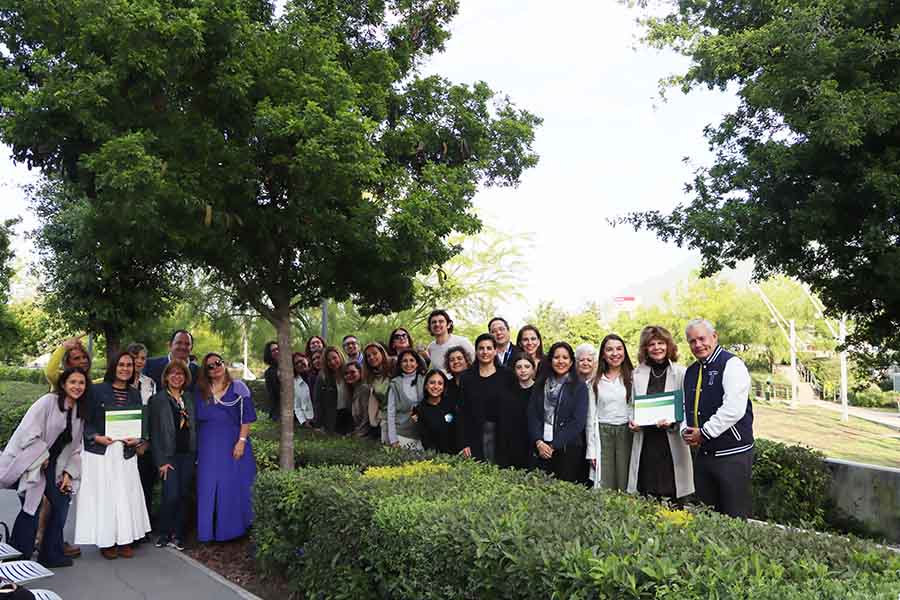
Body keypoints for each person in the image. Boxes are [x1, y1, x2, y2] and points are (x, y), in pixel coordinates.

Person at [0, 367, 86, 568]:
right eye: (73, 382)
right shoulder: (47, 402)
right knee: (32, 508)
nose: (77, 386)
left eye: (81, 382)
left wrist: (68, 473)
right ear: (64, 384)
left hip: (55, 466)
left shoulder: (80, 411)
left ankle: (50, 554)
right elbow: (28, 432)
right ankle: (17, 560)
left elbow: (75, 448)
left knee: (60, 502)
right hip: (33, 462)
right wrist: (41, 456)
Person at [75, 351, 151, 560]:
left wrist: (138, 439)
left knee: (126, 495)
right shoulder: (97, 390)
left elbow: (140, 424)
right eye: (121, 365)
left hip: (125, 453)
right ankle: (106, 541)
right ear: (113, 367)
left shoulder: (135, 394)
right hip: (102, 452)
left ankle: (125, 539)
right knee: (106, 497)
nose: (125, 369)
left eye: (129, 365)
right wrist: (95, 437)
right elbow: (84, 421)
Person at [681, 319, 754, 519]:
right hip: (704, 455)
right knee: (707, 516)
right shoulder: (691, 371)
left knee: (734, 517)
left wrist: (704, 433)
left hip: (732, 454)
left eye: (702, 338)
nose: (698, 345)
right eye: (692, 341)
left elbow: (733, 408)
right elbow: (685, 407)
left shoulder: (732, 364)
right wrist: (685, 431)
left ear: (714, 337)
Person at [626, 326, 694, 502]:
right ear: (645, 349)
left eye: (661, 343)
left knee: (672, 494)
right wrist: (632, 420)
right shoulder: (637, 373)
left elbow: (686, 407)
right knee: (647, 493)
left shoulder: (681, 373)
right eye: (651, 344)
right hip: (646, 442)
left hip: (670, 441)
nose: (657, 348)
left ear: (668, 345)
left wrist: (672, 422)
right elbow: (631, 404)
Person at [194, 352, 257, 542]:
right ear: (206, 372)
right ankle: (207, 532)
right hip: (207, 444)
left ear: (224, 364)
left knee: (232, 485)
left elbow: (246, 418)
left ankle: (232, 531)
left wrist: (241, 441)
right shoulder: (200, 391)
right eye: (210, 366)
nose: (215, 367)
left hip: (233, 442)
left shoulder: (238, 388)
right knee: (208, 486)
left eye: (218, 363)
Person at [148, 359, 196, 550]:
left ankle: (178, 535)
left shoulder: (190, 399)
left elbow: (195, 427)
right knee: (171, 495)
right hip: (168, 456)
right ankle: (164, 532)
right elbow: (154, 433)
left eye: (181, 374)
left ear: (185, 378)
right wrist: (160, 461)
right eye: (173, 373)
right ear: (166, 377)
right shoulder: (157, 400)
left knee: (183, 495)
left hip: (188, 454)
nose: (177, 377)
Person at [527, 342, 588, 483]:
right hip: (540, 446)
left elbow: (578, 421)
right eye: (556, 357)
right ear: (550, 360)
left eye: (565, 358)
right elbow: (532, 414)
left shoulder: (579, 386)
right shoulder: (540, 383)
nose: (561, 361)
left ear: (571, 361)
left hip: (567, 448)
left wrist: (553, 445)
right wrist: (539, 442)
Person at [586, 334, 634, 491]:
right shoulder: (595, 382)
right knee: (605, 483)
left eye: (619, 349)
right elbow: (590, 419)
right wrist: (591, 451)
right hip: (603, 433)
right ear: (603, 355)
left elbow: (636, 407)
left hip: (627, 432)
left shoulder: (634, 378)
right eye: (609, 350)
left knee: (627, 480)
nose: (615, 353)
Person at [459, 334, 512, 463]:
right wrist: (464, 442)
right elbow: (462, 411)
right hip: (474, 434)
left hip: (502, 435)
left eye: (489, 348)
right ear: (476, 351)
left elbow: (512, 409)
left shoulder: (507, 375)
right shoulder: (467, 377)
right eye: (481, 348)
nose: (485, 352)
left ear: (495, 351)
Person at [127, 342, 159, 534]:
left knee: (144, 485)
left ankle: (142, 530)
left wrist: (145, 441)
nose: (139, 361)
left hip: (144, 445)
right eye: (135, 357)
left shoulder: (150, 383)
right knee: (126, 488)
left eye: (142, 358)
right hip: (122, 445)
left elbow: (152, 414)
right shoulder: (118, 381)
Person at [496, 353, 536, 469]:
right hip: (511, 444)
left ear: (533, 369)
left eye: (527, 367)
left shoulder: (539, 391)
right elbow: (503, 422)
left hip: (532, 444)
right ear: (514, 370)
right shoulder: (507, 392)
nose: (523, 370)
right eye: (519, 367)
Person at [386, 348, 426, 449]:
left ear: (417, 363)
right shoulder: (395, 384)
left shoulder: (425, 380)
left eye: (412, 360)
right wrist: (393, 440)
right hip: (403, 434)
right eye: (405, 361)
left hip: (423, 433)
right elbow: (391, 414)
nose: (408, 364)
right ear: (400, 364)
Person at [415, 369, 460, 454]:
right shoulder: (420, 409)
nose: (436, 387)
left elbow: (459, 430)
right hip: (436, 459)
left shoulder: (452, 405)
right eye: (432, 383)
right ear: (426, 385)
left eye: (440, 383)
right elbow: (426, 439)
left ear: (444, 387)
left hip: (457, 457)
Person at [425, 309, 475, 374]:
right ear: (430, 326)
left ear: (448, 324)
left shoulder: (462, 342)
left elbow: (475, 362)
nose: (437, 324)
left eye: (441, 321)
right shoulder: (431, 347)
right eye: (434, 322)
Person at [362, 342, 392, 442]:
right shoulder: (371, 377)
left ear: (382, 353)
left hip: (401, 419)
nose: (371, 357)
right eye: (368, 356)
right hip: (385, 419)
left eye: (375, 353)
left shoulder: (394, 368)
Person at [314, 347, 346, 433]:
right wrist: (318, 424)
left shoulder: (348, 373)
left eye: (334, 358)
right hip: (332, 418)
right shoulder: (322, 377)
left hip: (348, 415)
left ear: (340, 356)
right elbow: (318, 402)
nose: (332, 362)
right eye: (328, 360)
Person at [344, 362, 371, 438]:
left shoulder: (364, 389)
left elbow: (367, 416)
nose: (349, 375)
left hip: (367, 432)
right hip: (358, 429)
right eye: (346, 373)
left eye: (353, 372)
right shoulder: (352, 389)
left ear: (360, 372)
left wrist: (358, 434)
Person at [292, 353, 315, 427]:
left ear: (307, 360)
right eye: (296, 364)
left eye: (301, 361)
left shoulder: (317, 375)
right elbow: (297, 406)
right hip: (309, 419)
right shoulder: (295, 383)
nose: (299, 364)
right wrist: (304, 422)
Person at [262, 341, 281, 422]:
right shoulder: (269, 373)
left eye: (277, 349)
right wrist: (274, 414)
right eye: (273, 350)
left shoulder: (292, 363)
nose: (276, 351)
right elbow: (272, 395)